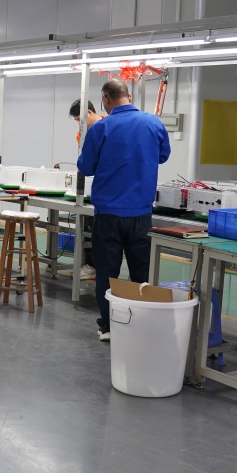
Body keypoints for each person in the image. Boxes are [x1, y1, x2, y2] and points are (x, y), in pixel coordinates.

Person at [77, 79, 171, 343]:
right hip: (141, 214)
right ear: (128, 96)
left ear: (106, 99)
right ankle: (140, 325)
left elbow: (86, 167)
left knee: (107, 273)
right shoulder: (153, 123)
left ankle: (109, 326)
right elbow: (163, 155)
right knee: (141, 272)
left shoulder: (101, 127)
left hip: (109, 214)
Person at [69, 98, 106, 279]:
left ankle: (98, 267)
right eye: (77, 121)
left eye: (80, 119)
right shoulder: (82, 134)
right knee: (88, 225)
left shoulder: (108, 126)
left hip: (106, 186)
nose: (79, 124)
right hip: (92, 186)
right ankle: (91, 264)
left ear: (89, 113)